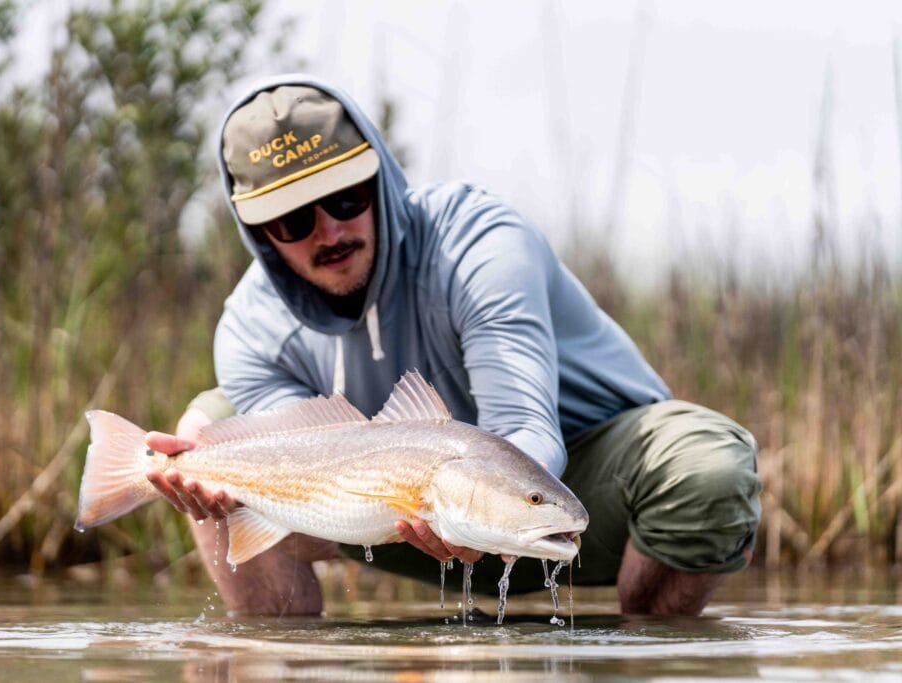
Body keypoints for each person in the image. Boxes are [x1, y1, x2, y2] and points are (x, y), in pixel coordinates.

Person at [145, 74, 761, 617]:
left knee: (707, 467)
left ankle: (651, 659)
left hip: (579, 496)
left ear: (379, 177)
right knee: (210, 426)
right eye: (293, 220)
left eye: (345, 198)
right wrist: (225, 493)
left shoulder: (478, 241)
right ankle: (278, 662)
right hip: (391, 516)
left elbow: (522, 422)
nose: (329, 231)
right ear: (257, 232)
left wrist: (484, 506)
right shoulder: (250, 328)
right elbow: (312, 530)